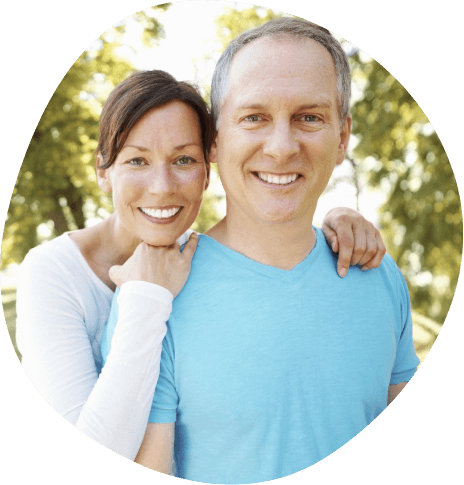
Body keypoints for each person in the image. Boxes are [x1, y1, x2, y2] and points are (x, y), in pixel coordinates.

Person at [104, 18, 419, 483]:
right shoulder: (153, 298)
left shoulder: (378, 275)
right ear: (215, 139)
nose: (281, 147)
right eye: (254, 117)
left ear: (343, 137)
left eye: (309, 117)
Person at [15, 69, 385, 461]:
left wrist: (340, 219)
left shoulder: (198, 261)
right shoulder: (51, 274)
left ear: (208, 170)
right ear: (103, 172)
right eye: (138, 160)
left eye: (184, 159)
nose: (162, 186)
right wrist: (145, 298)